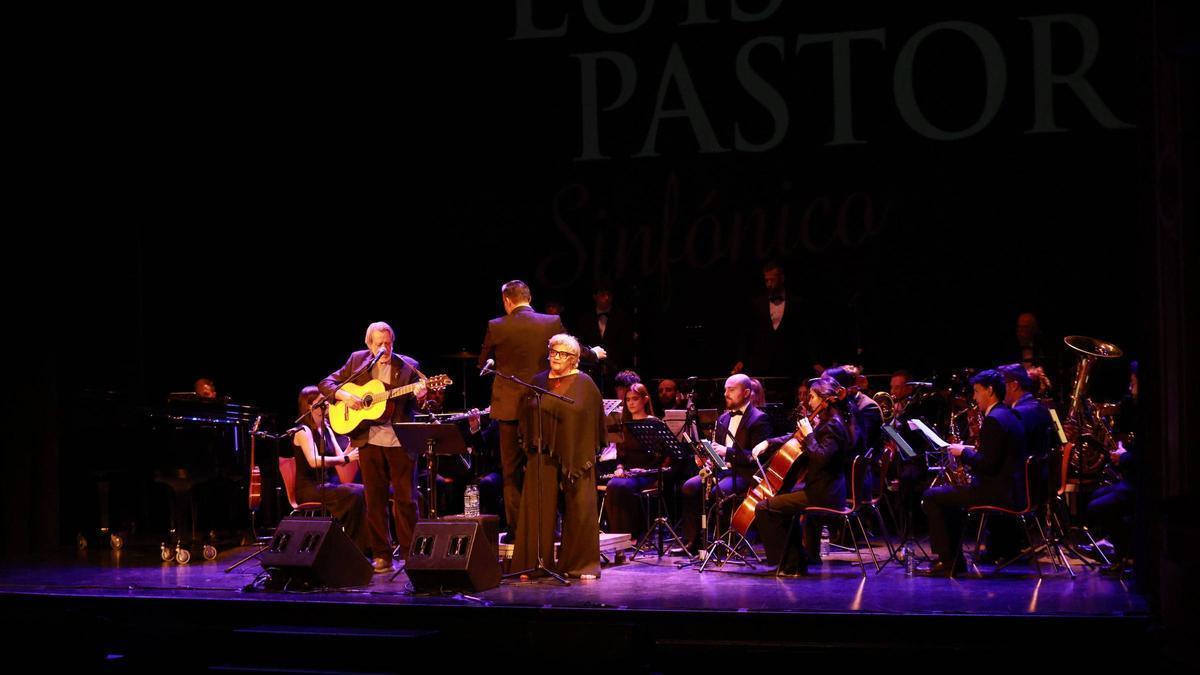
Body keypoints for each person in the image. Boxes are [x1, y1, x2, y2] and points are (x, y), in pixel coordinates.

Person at [478, 280, 605, 538]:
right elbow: (570, 348)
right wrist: (595, 354)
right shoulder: (550, 322)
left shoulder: (496, 326)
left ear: (507, 301)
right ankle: (551, 529)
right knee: (548, 467)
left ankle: (517, 532)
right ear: (529, 297)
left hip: (509, 411)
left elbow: (483, 363)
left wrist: (494, 359)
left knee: (511, 474)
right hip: (543, 406)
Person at [319, 321, 426, 574]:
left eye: (388, 343)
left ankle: (412, 555)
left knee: (406, 499)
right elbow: (327, 384)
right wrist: (345, 396)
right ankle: (382, 555)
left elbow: (421, 407)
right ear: (369, 344)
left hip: (400, 441)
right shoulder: (357, 361)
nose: (385, 348)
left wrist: (422, 396)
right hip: (368, 439)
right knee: (374, 500)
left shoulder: (409, 366)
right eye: (379, 344)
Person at [511, 334, 604, 579]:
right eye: (553, 352)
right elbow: (526, 413)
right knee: (537, 506)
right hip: (542, 450)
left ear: (575, 360)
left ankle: (581, 564)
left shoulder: (585, 383)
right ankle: (533, 564)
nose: (556, 357)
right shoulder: (537, 381)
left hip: (577, 451)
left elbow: (593, 418)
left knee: (580, 505)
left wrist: (581, 446)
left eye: (563, 354)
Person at [920, 369, 1025, 576]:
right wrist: (972, 451)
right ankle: (954, 560)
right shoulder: (1009, 414)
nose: (974, 397)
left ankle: (948, 562)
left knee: (931, 496)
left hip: (997, 492)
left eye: (977, 391)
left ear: (990, 390)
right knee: (948, 499)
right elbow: (996, 455)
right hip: (1011, 488)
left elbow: (988, 465)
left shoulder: (994, 419)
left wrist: (962, 454)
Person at [752, 376, 851, 575]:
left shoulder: (833, 425)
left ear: (825, 399)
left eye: (813, 397)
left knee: (764, 507)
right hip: (821, 488)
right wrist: (769, 443)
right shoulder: (826, 422)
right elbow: (793, 437)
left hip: (824, 494)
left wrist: (809, 435)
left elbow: (821, 458)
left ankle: (789, 564)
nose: (809, 401)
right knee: (779, 504)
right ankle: (794, 562)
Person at [679, 374, 772, 551]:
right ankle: (694, 541)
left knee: (718, 491)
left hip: (744, 473)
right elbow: (718, 451)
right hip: (722, 470)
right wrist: (709, 459)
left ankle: (719, 541)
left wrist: (727, 452)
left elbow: (757, 457)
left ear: (746, 393)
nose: (726, 394)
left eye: (731, 389)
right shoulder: (723, 418)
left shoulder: (759, 419)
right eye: (725, 390)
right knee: (689, 487)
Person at [291, 386, 367, 553]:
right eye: (322, 402)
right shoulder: (303, 431)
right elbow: (314, 461)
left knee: (363, 491)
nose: (328, 405)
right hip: (310, 488)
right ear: (310, 406)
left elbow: (341, 459)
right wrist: (346, 458)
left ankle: (361, 547)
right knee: (354, 494)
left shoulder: (326, 427)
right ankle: (354, 548)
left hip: (328, 485)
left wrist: (353, 443)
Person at [603, 383, 660, 539]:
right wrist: (620, 467)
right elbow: (621, 455)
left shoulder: (654, 423)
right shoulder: (623, 424)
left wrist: (645, 470)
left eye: (635, 399)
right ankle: (618, 535)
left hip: (647, 472)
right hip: (628, 472)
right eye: (628, 400)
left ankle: (633, 534)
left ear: (645, 400)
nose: (631, 403)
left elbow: (661, 454)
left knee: (623, 487)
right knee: (613, 485)